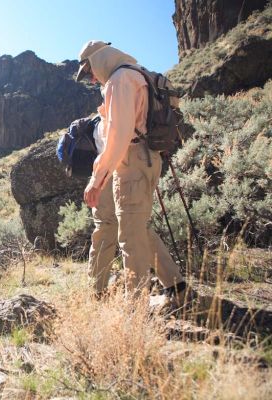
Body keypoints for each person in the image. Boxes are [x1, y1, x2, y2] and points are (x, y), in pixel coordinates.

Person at [75, 40, 186, 300]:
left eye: (89, 70)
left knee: (129, 238)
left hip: (132, 161)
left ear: (98, 59)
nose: (91, 78)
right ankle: (176, 287)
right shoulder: (137, 73)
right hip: (142, 159)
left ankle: (134, 311)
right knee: (137, 229)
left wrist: (97, 178)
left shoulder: (120, 80)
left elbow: (119, 136)